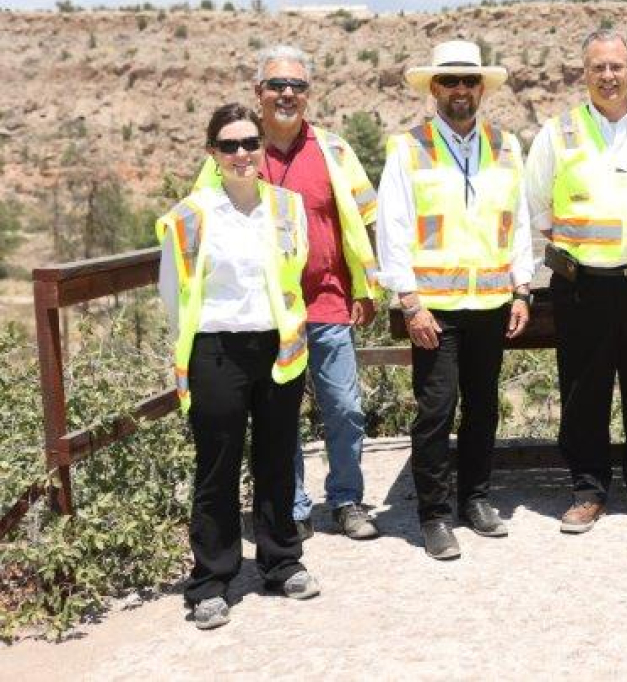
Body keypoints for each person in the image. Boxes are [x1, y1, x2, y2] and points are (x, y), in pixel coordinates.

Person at [524, 29, 627, 534]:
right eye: (598, 67)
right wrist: (584, 251)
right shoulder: (559, 132)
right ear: (585, 73)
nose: (608, 75)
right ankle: (588, 491)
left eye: (616, 66)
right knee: (584, 388)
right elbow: (538, 208)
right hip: (583, 283)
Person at [158, 103, 320, 631]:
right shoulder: (191, 215)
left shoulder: (287, 207)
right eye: (229, 145)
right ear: (213, 153)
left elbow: (295, 276)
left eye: (250, 142)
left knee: (277, 458)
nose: (242, 153)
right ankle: (210, 581)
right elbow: (171, 294)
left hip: (277, 349)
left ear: (261, 148)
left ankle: (282, 562)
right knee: (217, 467)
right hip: (216, 351)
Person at [377, 40, 533, 560]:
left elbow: (520, 223)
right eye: (451, 81)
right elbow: (393, 230)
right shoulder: (408, 148)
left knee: (484, 408)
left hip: (490, 302)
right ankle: (434, 515)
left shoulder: (506, 145)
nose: (461, 90)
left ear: (481, 89)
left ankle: (476, 499)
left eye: (470, 81)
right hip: (436, 310)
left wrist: (522, 288)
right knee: (436, 411)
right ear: (434, 89)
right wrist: (410, 302)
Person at [248, 45, 382, 542]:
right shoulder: (241, 150)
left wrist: (366, 286)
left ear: (309, 95)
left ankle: (347, 499)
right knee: (279, 414)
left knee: (344, 406)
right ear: (258, 92)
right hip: (266, 310)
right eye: (277, 85)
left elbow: (366, 219)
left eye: (297, 86)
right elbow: (202, 218)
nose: (287, 94)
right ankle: (294, 505)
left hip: (329, 300)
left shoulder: (333, 149)